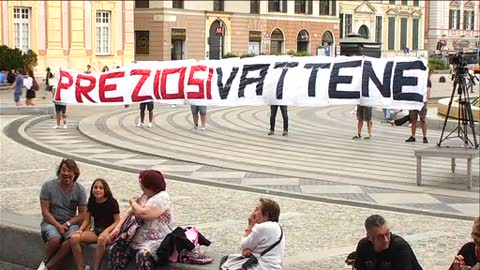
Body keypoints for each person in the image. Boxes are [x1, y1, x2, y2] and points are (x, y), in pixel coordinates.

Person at [108, 169, 175, 270]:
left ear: (150, 185)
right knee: (116, 248)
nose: (140, 185)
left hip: (158, 239)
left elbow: (143, 213)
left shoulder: (162, 197)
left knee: (142, 255)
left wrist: (133, 203)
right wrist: (118, 228)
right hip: (139, 238)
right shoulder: (144, 196)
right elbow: (130, 212)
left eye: (142, 183)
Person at [37, 159, 87, 270]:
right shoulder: (47, 186)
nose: (66, 174)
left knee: (73, 239)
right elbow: (45, 212)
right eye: (64, 170)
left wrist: (68, 223)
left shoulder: (80, 190)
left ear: (75, 174)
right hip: (50, 222)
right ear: (59, 171)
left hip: (70, 223)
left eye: (70, 171)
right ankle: (44, 261)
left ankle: (48, 266)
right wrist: (58, 226)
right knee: (55, 240)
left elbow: (83, 214)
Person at [220, 198, 285, 270]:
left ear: (265, 214)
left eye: (257, 210)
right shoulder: (277, 227)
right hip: (274, 267)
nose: (253, 212)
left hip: (261, 266)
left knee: (225, 262)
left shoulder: (261, 227)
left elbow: (243, 245)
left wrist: (250, 225)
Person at [70, 178, 120, 270]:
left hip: (110, 233)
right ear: (92, 190)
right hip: (97, 231)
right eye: (95, 187)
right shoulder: (92, 201)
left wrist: (106, 231)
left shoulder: (112, 202)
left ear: (105, 190)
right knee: (74, 238)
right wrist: (81, 229)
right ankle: (81, 267)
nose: (97, 190)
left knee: (101, 239)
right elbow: (87, 220)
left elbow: (118, 221)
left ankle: (96, 268)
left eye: (101, 188)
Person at [354, 214, 422, 270]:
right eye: (380, 237)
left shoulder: (399, 247)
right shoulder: (363, 246)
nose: (386, 240)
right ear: (369, 237)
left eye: (387, 233)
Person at [405, 72, 431, 143]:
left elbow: (428, 89)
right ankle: (413, 136)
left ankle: (424, 136)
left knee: (423, 118)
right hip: (413, 101)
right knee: (413, 118)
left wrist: (427, 99)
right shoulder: (412, 78)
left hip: (421, 101)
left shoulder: (426, 80)